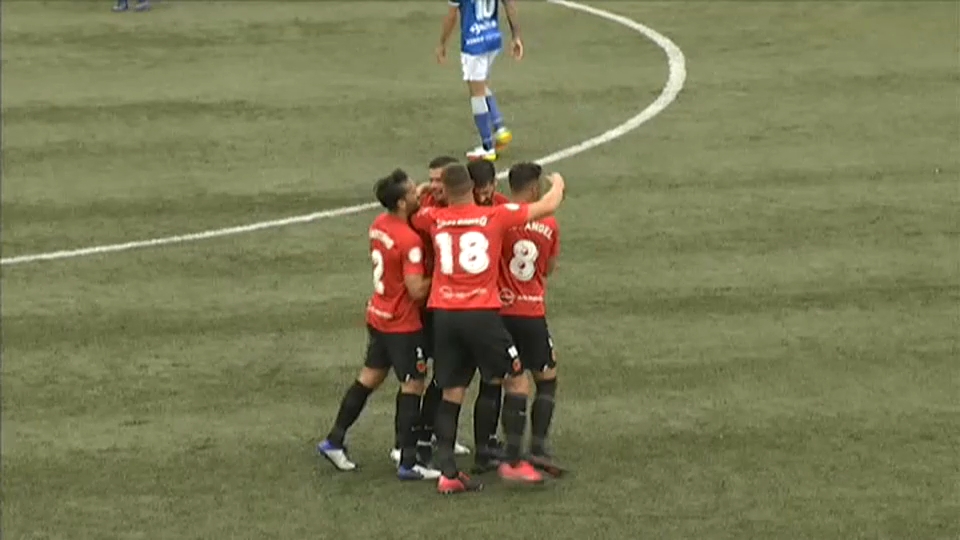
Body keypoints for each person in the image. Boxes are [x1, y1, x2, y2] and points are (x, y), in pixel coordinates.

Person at [411, 163, 566, 494]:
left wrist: (426, 189)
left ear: (445, 191)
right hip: (480, 313)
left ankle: (448, 473)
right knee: (518, 380)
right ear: (472, 186)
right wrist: (559, 185)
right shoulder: (495, 216)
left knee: (452, 389)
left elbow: (416, 211)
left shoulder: (433, 218)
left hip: (444, 314)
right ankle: (513, 461)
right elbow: (548, 206)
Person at [318, 169, 440, 481]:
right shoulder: (410, 240)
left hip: (379, 315)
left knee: (369, 378)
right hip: (402, 323)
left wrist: (422, 188)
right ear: (401, 202)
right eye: (413, 192)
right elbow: (415, 289)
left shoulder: (379, 225)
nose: (419, 195)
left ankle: (334, 440)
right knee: (413, 384)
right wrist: (444, 274)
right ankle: (407, 459)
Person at [389, 156, 471, 468]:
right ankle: (403, 441)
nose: (434, 186)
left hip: (446, 305)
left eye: (440, 181)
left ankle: (432, 432)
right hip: (419, 306)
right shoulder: (419, 211)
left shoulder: (458, 209)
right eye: (431, 180)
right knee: (415, 374)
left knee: (447, 374)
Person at [499, 162, 564, 477]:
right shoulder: (548, 223)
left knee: (509, 381)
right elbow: (549, 267)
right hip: (531, 311)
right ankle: (537, 445)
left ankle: (508, 448)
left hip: (500, 312)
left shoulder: (500, 217)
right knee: (546, 378)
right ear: (535, 189)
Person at [436, 0, 523, 162]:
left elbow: (451, 17)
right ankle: (500, 128)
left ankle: (487, 147)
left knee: (476, 94)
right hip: (492, 38)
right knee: (481, 86)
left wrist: (442, 43)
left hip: (474, 44)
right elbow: (509, 4)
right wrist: (516, 36)